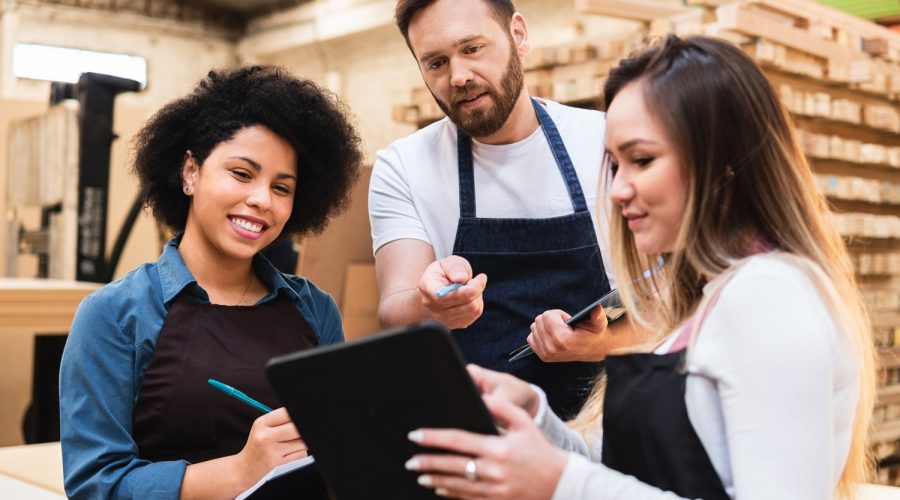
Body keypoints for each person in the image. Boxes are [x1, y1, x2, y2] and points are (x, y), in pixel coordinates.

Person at [401, 35, 876, 499]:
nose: (619, 189)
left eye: (642, 160)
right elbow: (633, 474)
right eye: (615, 165)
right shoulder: (708, 301)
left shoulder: (770, 296)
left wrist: (557, 484)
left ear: (724, 162)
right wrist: (538, 421)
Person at [59, 66, 363, 499]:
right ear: (190, 172)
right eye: (242, 174)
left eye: (282, 187)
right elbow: (96, 486)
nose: (261, 200)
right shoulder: (115, 315)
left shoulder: (315, 309)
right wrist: (241, 471)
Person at [370, 0, 638, 419]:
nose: (458, 76)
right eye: (436, 63)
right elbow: (393, 309)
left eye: (472, 49)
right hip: (479, 433)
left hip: (606, 427)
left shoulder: (606, 141)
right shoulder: (404, 164)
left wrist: (598, 344)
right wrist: (431, 305)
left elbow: (670, 308)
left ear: (518, 35)